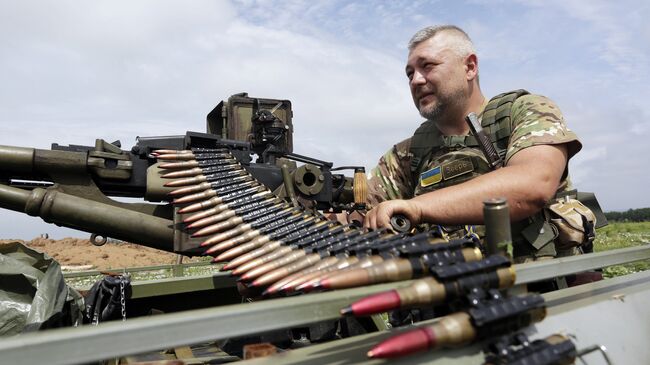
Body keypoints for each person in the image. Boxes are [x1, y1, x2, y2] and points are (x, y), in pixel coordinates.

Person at [364, 25, 595, 263]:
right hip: (451, 293)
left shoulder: (523, 111)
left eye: (427, 66)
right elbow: (363, 210)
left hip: (542, 289)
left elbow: (533, 185)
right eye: (410, 73)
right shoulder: (408, 154)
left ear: (470, 67)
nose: (416, 80)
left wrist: (418, 208)